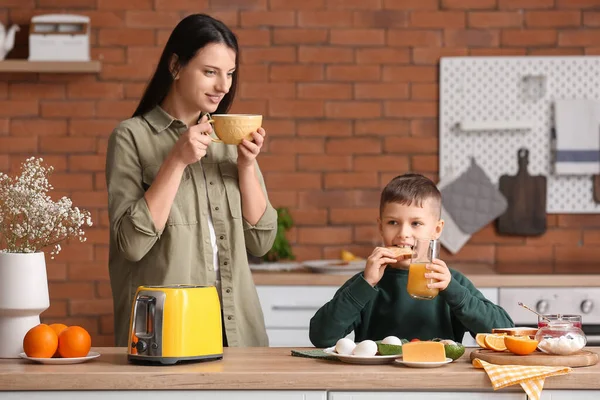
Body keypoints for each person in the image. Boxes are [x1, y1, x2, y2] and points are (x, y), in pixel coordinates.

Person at [105, 14, 277, 348]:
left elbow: (262, 242)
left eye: (229, 74)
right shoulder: (130, 137)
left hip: (239, 328)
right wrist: (176, 160)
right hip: (169, 330)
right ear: (175, 66)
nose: (223, 86)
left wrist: (246, 166)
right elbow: (130, 243)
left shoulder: (229, 138)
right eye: (210, 72)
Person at [309, 174, 514, 347]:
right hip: (374, 384)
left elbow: (504, 333)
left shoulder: (452, 282)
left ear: (437, 230)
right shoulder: (366, 281)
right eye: (393, 223)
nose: (403, 233)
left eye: (416, 223)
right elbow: (321, 337)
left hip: (439, 384)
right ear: (380, 227)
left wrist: (454, 291)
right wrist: (365, 283)